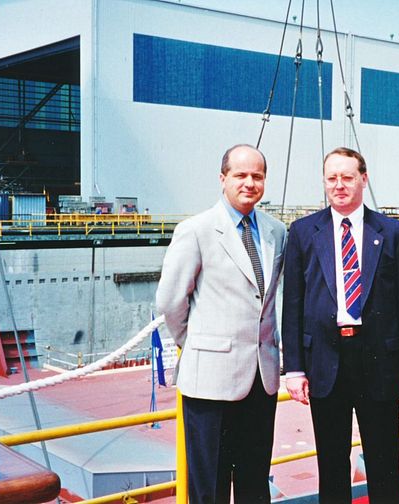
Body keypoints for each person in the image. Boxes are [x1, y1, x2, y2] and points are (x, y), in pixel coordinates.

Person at [282, 147, 399, 503]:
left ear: (363, 178)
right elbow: (293, 303)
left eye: (347, 177)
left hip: (378, 360)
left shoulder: (392, 232)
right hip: (325, 362)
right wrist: (294, 368)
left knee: (384, 461)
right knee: (331, 463)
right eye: (332, 178)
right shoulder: (302, 233)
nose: (339, 185)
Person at [156, 144, 286, 504]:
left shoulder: (276, 232)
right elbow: (169, 303)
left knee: (254, 483)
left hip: (261, 379)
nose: (249, 183)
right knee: (209, 489)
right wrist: (198, 342)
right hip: (210, 382)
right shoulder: (195, 230)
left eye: (257, 176)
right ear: (223, 178)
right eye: (240, 175)